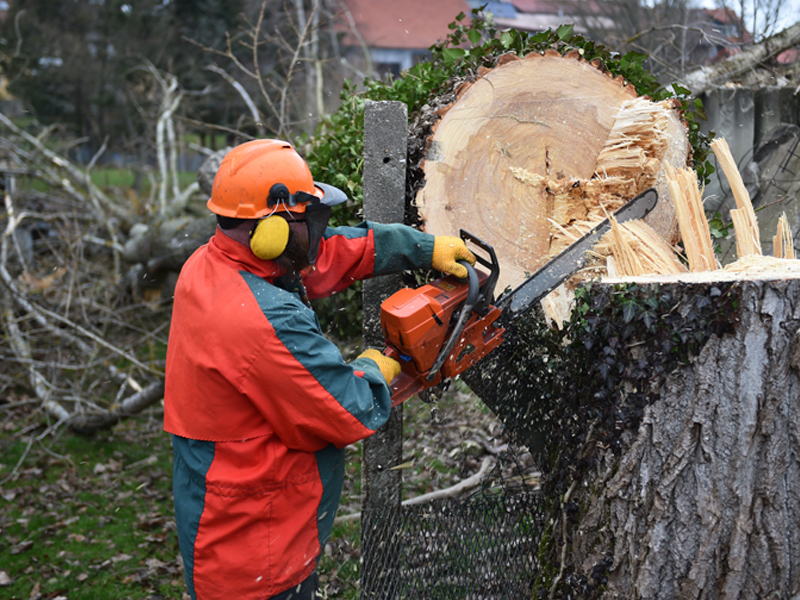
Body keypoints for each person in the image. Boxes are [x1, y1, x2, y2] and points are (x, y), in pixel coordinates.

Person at [163, 139, 475, 600]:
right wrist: (374, 368)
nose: (317, 229)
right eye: (307, 219)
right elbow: (346, 409)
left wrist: (421, 248)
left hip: (221, 519)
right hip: (253, 551)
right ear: (272, 230)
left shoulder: (213, 264)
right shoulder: (261, 318)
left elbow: (323, 255)